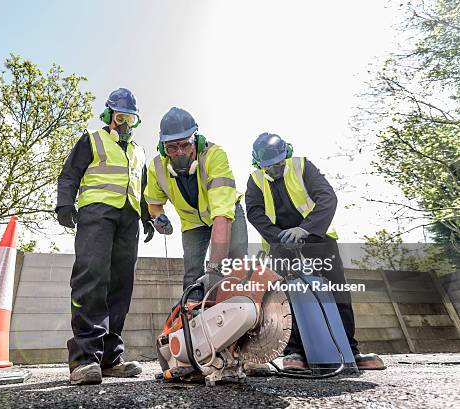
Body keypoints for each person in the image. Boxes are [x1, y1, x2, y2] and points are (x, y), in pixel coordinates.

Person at [245, 132, 386, 370]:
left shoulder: (303, 167)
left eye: (278, 164)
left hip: (317, 238)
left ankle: (349, 350)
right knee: (286, 300)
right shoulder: (256, 180)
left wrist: (305, 229)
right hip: (279, 243)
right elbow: (254, 212)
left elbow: (327, 198)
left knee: (337, 291)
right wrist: (278, 237)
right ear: (259, 164)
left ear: (285, 156)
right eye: (269, 167)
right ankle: (295, 353)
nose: (275, 170)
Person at [55, 88, 154, 385]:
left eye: (130, 119)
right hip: (96, 215)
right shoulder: (92, 139)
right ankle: (84, 359)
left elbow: (144, 187)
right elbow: (70, 173)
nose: (124, 123)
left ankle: (110, 358)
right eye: (120, 116)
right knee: (92, 279)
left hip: (129, 219)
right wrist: (64, 203)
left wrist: (147, 217)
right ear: (109, 116)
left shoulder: (139, 151)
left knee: (121, 285)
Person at [144, 107, 248, 302]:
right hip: (193, 223)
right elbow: (154, 204)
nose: (180, 152)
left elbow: (221, 216)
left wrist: (215, 269)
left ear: (197, 140)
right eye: (172, 148)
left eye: (185, 144)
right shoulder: (157, 168)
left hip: (227, 214)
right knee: (192, 275)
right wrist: (159, 218)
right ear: (162, 147)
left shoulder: (214, 156)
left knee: (234, 267)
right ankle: (194, 316)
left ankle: (237, 310)